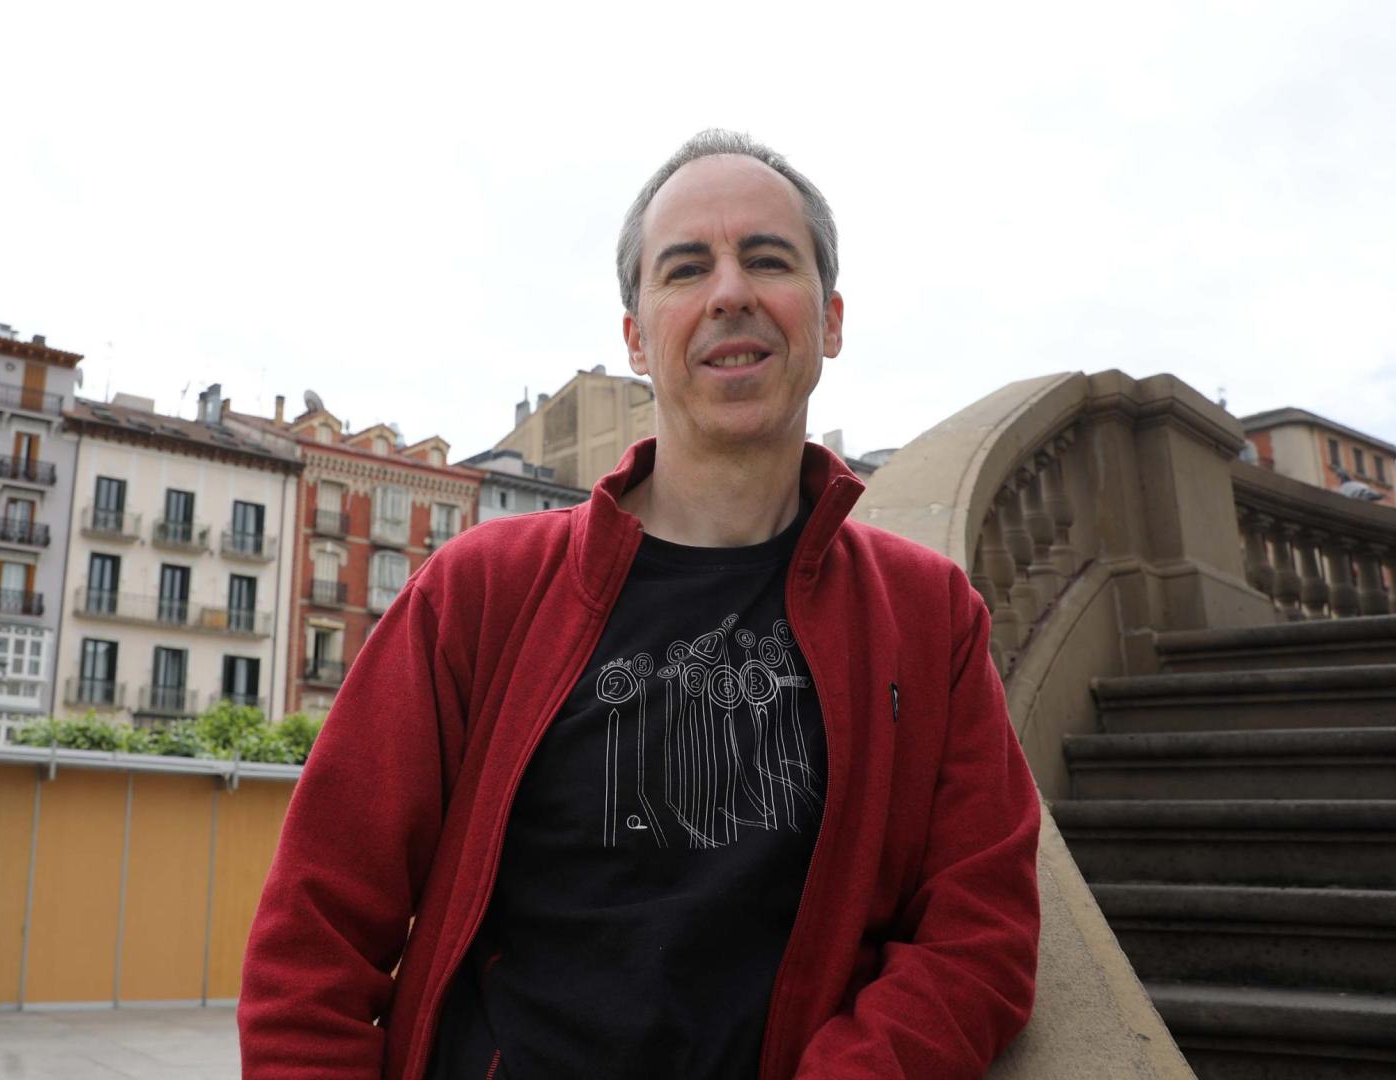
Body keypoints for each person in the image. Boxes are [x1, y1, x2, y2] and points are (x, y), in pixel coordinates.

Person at [239, 129, 1040, 1079]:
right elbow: (315, 934)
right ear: (635, 342)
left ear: (828, 321)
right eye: (687, 267)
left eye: (768, 259)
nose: (730, 291)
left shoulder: (927, 615)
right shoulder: (479, 591)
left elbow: (978, 934)